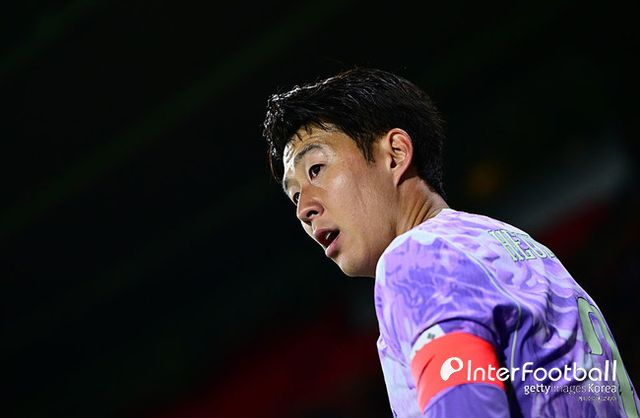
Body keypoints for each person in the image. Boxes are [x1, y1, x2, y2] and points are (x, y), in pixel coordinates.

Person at [261, 67, 639, 418]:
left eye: (316, 170)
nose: (304, 209)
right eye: (295, 196)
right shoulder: (517, 246)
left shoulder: (416, 260)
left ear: (395, 154)